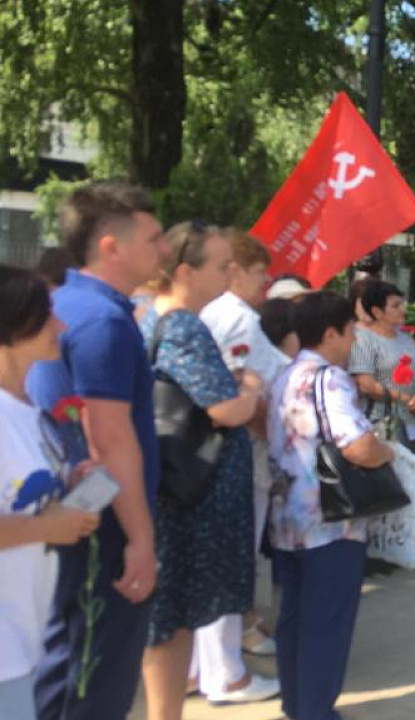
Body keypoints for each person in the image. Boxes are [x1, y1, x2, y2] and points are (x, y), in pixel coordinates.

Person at [26, 181, 165, 720]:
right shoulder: (104, 321)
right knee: (94, 684)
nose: (162, 250)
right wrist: (140, 539)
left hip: (71, 518)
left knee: (62, 672)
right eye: (153, 239)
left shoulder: (64, 303)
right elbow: (111, 440)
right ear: (112, 244)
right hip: (103, 533)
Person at [137, 222, 261, 720]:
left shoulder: (153, 315)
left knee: (174, 616)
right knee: (176, 614)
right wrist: (249, 388)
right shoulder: (184, 323)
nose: (231, 274)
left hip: (175, 482)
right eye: (222, 265)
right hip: (192, 491)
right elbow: (225, 410)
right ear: (186, 271)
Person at [268, 291, 394, 720]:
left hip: (287, 520)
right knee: (327, 624)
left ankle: (298, 704)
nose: (354, 337)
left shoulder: (284, 375)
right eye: (350, 329)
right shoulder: (329, 377)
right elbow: (357, 446)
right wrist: (387, 452)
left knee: (294, 619)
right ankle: (316, 710)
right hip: (330, 521)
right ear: (330, 333)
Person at [0, 266, 100, 720]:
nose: (61, 327)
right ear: (13, 327)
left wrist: (73, 489)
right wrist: (47, 526)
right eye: (47, 318)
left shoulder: (30, 409)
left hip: (25, 632)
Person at [193, 229, 283, 702]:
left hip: (219, 455)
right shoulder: (239, 320)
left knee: (215, 564)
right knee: (230, 565)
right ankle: (226, 672)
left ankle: (199, 667)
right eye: (259, 274)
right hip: (239, 455)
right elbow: (240, 393)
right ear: (235, 271)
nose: (264, 283)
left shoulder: (213, 315)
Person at [348, 281, 415, 451]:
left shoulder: (406, 338)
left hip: (412, 420)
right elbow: (366, 385)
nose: (403, 310)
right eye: (395, 306)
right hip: (382, 423)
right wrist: (407, 399)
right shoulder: (363, 340)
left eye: (402, 304)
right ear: (377, 311)